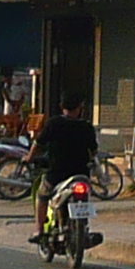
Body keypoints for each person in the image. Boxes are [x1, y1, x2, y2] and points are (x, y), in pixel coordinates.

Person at [33, 99, 99, 239]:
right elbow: (93, 150)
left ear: (62, 107)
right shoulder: (86, 126)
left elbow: (39, 142)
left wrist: (29, 156)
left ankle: (39, 230)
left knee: (42, 196)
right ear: (80, 107)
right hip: (81, 174)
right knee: (85, 198)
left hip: (57, 174)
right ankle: (84, 229)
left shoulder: (54, 123)